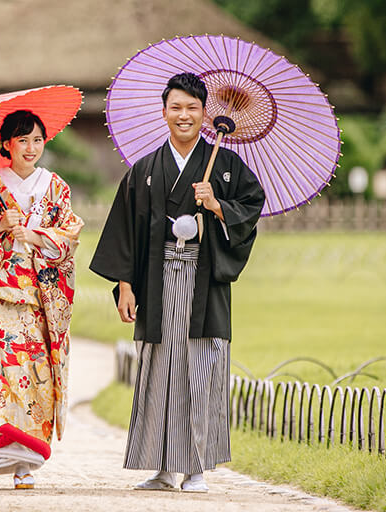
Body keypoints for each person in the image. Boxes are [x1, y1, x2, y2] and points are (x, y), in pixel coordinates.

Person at [90, 72, 265, 493]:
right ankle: (163, 467)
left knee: (200, 367)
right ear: (164, 111)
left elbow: (251, 208)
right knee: (160, 369)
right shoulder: (146, 170)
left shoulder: (225, 166)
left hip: (204, 281)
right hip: (156, 280)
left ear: (205, 113)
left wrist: (217, 205)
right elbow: (125, 231)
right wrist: (126, 286)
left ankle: (197, 468)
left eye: (192, 107)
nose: (184, 115)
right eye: (176, 107)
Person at [0, 109, 84, 491]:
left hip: (38, 300)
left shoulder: (56, 187)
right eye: (22, 140)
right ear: (6, 145)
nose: (31, 148)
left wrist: (38, 236)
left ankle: (26, 463)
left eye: (38, 140)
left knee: (34, 376)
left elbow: (70, 234)